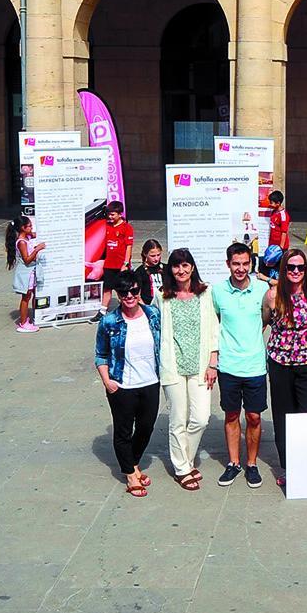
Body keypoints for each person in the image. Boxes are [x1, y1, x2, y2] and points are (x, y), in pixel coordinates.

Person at [264, 246, 307, 486]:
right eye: (290, 267)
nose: (295, 271)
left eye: (300, 267)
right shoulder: (273, 296)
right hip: (280, 363)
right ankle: (289, 467)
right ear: (284, 269)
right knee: (283, 416)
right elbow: (262, 322)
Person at [95, 275, 162, 497]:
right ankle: (130, 473)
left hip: (150, 382)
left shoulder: (152, 315)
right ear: (118, 295)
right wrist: (107, 382)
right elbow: (101, 354)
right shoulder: (110, 321)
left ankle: (131, 463)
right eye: (124, 293)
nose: (129, 296)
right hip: (121, 384)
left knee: (146, 427)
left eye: (133, 291)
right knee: (123, 431)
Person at [157, 248, 218, 490]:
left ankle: (185, 458)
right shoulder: (163, 297)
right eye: (176, 266)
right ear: (170, 270)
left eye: (185, 265)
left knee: (201, 418)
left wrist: (213, 362)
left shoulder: (205, 293)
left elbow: (214, 329)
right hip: (173, 366)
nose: (181, 270)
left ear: (192, 267)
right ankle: (182, 468)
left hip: (200, 366)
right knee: (177, 420)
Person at [211, 242, 268, 488]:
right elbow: (213, 322)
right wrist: (213, 361)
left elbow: (268, 318)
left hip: (255, 364)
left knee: (254, 416)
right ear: (228, 264)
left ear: (251, 264)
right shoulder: (218, 291)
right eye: (236, 264)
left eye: (245, 264)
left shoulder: (263, 289)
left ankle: (251, 464)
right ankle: (234, 462)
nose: (241, 268)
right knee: (232, 414)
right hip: (229, 365)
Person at [9, 215, 42, 334]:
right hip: (26, 273)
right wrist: (37, 249)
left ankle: (33, 317)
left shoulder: (27, 237)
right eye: (29, 226)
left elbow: (35, 234)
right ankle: (23, 322)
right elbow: (27, 259)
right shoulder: (21, 242)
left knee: (33, 294)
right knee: (26, 297)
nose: (31, 228)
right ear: (23, 228)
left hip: (31, 271)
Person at [103, 201, 136, 277]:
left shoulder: (127, 228)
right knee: (107, 288)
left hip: (121, 265)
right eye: (108, 214)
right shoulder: (106, 226)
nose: (110, 216)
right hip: (108, 265)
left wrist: (126, 263)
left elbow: (129, 246)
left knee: (122, 288)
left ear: (120, 214)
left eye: (112, 215)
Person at [263, 189, 291, 275]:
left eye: (271, 202)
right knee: (271, 267)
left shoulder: (283, 215)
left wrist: (281, 248)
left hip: (279, 247)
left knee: (280, 268)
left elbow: (284, 232)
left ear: (278, 203)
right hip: (272, 245)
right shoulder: (274, 212)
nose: (270, 204)